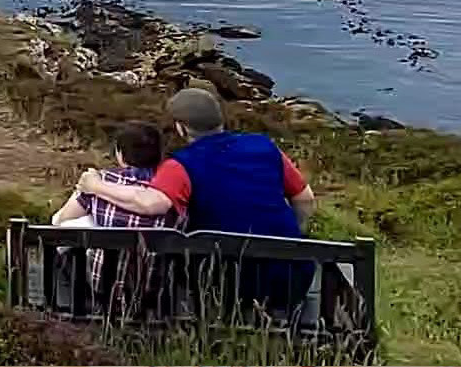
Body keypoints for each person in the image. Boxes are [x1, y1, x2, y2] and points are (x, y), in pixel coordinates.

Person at [78, 87, 317, 310]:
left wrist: (96, 185)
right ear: (220, 119)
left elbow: (150, 203)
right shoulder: (264, 146)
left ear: (181, 128)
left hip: (224, 285)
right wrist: (290, 240)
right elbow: (305, 199)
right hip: (292, 277)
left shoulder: (181, 165)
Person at [50, 123, 178, 307]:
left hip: (102, 284)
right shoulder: (169, 189)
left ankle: (71, 311)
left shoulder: (99, 181)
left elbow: (62, 221)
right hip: (153, 287)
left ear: (120, 154)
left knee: (67, 250)